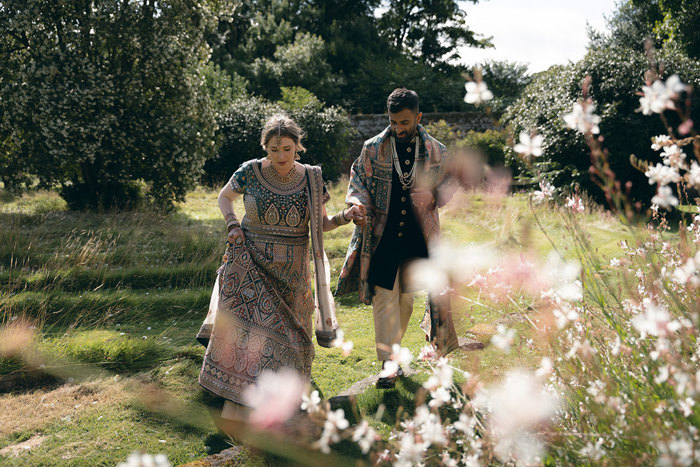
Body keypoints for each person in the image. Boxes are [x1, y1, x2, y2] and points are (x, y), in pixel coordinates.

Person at [197, 114, 364, 416]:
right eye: (274, 150)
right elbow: (224, 198)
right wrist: (233, 225)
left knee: (295, 335)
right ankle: (241, 394)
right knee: (249, 333)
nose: (280, 156)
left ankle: (288, 397)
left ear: (298, 146)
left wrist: (345, 217)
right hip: (251, 265)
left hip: (294, 272)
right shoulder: (249, 171)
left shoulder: (312, 177)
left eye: (287, 149)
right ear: (265, 147)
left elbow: (322, 223)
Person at [336, 88, 458, 388]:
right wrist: (358, 203)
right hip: (381, 236)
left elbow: (454, 182)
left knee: (405, 302)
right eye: (393, 122)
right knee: (385, 300)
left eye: (404, 122)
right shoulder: (373, 148)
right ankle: (388, 364)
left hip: (418, 238)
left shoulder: (437, 151)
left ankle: (395, 355)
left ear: (418, 117)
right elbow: (358, 180)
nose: (398, 128)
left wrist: (434, 195)